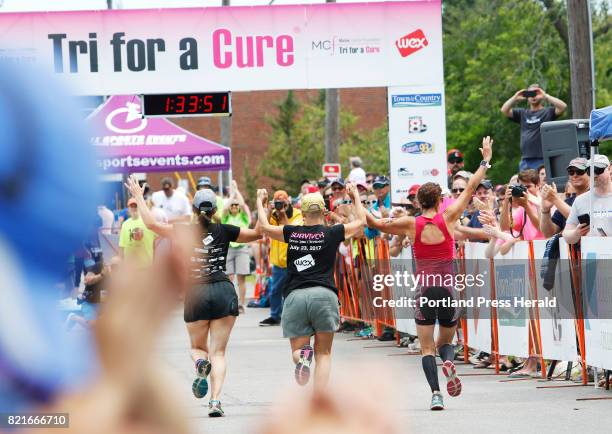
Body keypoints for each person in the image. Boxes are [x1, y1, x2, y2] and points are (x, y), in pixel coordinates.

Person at [365, 136, 493, 410]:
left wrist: (356, 199)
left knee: (425, 348)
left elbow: (375, 222)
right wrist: (485, 160)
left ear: (418, 202)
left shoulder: (410, 224)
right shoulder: (449, 217)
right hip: (447, 288)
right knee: (446, 340)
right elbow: (471, 187)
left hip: (424, 289)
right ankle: (448, 360)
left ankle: (436, 393)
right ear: (438, 200)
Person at [125, 177, 262, 417]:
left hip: (196, 292)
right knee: (219, 353)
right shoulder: (226, 230)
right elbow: (258, 234)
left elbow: (150, 224)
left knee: (198, 348)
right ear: (215, 209)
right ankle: (215, 402)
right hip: (223, 290)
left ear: (195, 210)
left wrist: (138, 195)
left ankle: (200, 364)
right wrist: (262, 204)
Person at [256, 187, 366, 392]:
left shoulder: (291, 232)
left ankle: (302, 358)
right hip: (325, 295)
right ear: (324, 212)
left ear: (303, 213)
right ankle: (319, 399)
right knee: (323, 354)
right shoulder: (333, 233)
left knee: (298, 350)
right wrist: (356, 197)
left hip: (295, 295)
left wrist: (260, 202)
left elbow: (263, 227)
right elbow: (361, 223)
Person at [260, 190, 304, 326]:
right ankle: (274, 316)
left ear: (289, 201)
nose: (280, 205)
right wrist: (268, 210)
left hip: (293, 261)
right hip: (278, 261)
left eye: (283, 201)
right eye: (278, 202)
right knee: (275, 290)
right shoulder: (273, 215)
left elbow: (290, 231)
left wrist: (283, 214)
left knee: (292, 291)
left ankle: (291, 317)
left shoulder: (297, 214)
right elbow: (263, 226)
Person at [500, 84, 567, 171]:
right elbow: (504, 110)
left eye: (535, 93)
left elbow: (563, 106)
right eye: (530, 94)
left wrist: (546, 96)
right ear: (527, 97)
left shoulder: (548, 112)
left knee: (541, 183)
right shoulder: (522, 113)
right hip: (525, 159)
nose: (533, 96)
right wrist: (515, 97)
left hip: (542, 158)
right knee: (524, 184)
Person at [563, 154, 612, 243]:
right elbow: (566, 234)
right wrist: (576, 233)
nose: (594, 174)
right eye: (590, 171)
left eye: (598, 170)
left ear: (609, 169)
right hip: (592, 254)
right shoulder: (580, 200)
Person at [221, 180, 252, 313]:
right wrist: (231, 195)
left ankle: (241, 304)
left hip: (242, 249)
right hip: (229, 249)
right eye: (232, 205)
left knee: (241, 278)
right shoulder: (226, 219)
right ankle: (230, 302)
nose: (234, 206)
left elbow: (243, 204)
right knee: (229, 278)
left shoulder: (244, 218)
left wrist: (236, 190)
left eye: (236, 205)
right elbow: (224, 209)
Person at [540, 158, 589, 237]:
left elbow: (579, 221)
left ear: (589, 173)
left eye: (580, 171)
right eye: (571, 172)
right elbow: (549, 234)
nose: (575, 175)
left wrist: (555, 199)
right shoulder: (567, 202)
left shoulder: (595, 196)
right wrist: (545, 210)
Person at [499, 169, 545, 241]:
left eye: (528, 187)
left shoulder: (546, 202)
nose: (525, 191)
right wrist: (506, 201)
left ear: (538, 185)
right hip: (530, 250)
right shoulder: (522, 207)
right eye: (522, 187)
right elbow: (505, 227)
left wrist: (526, 206)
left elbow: (543, 229)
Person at [118, 198, 157, 266]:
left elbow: (157, 239)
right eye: (131, 206)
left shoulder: (147, 221)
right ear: (128, 209)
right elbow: (122, 246)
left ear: (139, 207)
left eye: (135, 206)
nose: (133, 208)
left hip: (146, 266)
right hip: (130, 267)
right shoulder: (125, 224)